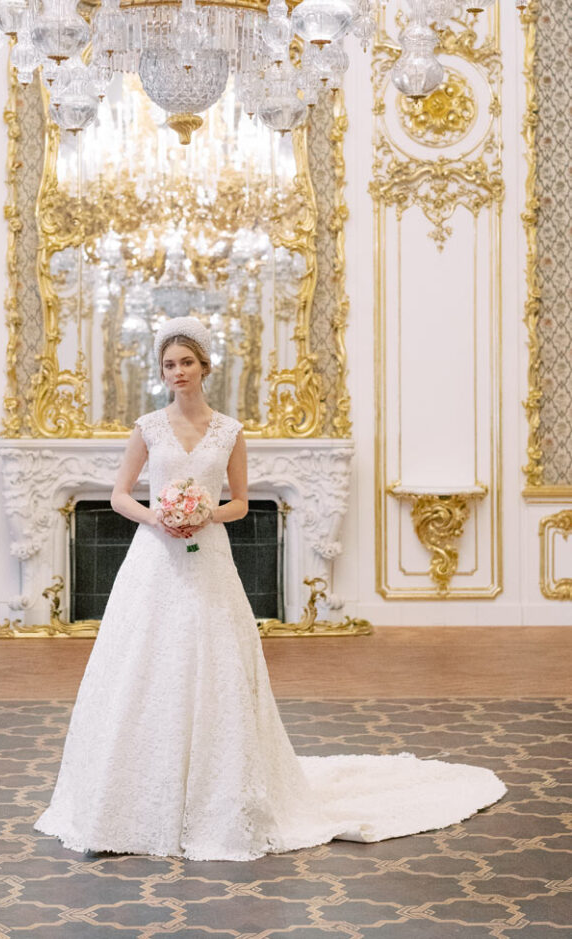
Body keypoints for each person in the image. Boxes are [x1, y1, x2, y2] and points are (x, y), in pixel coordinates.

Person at [35, 316, 506, 861]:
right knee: (145, 661)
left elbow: (241, 501)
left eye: (187, 362)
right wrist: (157, 516)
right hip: (154, 558)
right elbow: (118, 495)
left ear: (205, 366)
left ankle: (219, 791)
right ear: (161, 372)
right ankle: (129, 795)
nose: (178, 372)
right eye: (169, 364)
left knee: (215, 660)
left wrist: (206, 514)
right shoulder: (147, 428)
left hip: (208, 556)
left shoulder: (229, 432)